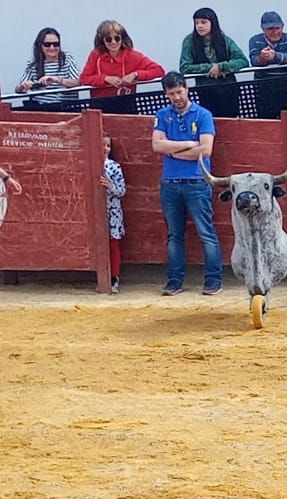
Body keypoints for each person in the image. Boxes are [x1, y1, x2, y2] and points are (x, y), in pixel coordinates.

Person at [151, 71, 222, 296]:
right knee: (174, 234)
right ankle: (174, 281)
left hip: (197, 181)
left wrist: (172, 152)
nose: (177, 97)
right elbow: (156, 146)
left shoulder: (203, 114)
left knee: (205, 232)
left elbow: (206, 150)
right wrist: (188, 146)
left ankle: (213, 281)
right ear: (166, 94)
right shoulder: (163, 114)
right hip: (170, 182)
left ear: (186, 89)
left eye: (179, 92)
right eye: (172, 93)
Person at [179, 8, 249, 119]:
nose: (199, 26)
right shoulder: (189, 41)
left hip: (228, 89)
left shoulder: (224, 40)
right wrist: (210, 68)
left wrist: (221, 67)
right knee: (210, 123)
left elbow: (243, 61)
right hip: (206, 91)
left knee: (231, 124)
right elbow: (184, 67)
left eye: (203, 22)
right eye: (196, 23)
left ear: (213, 23)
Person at [79, 21, 165, 104]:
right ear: (102, 41)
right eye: (109, 39)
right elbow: (84, 78)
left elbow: (159, 70)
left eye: (117, 38)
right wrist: (105, 79)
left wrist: (135, 75)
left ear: (122, 39)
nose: (113, 42)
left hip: (127, 103)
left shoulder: (133, 56)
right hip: (100, 105)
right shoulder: (95, 55)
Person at [248, 12, 287, 120]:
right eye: (270, 29)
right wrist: (262, 58)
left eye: (278, 28)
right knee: (266, 120)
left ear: (282, 27)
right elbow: (254, 60)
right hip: (264, 88)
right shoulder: (254, 41)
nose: (275, 32)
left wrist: (275, 56)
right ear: (263, 29)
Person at [14, 28, 81, 107]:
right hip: (41, 108)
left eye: (56, 44)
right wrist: (23, 86)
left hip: (66, 107)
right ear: (40, 45)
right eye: (47, 45)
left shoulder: (67, 59)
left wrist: (56, 79)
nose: (52, 48)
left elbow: (78, 82)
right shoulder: (33, 63)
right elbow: (18, 89)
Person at [103, 133, 127, 294]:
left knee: (113, 245)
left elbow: (122, 191)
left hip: (111, 211)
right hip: (96, 211)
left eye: (108, 146)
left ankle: (114, 277)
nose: (105, 149)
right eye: (102, 145)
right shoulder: (84, 163)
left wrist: (111, 186)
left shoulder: (113, 166)